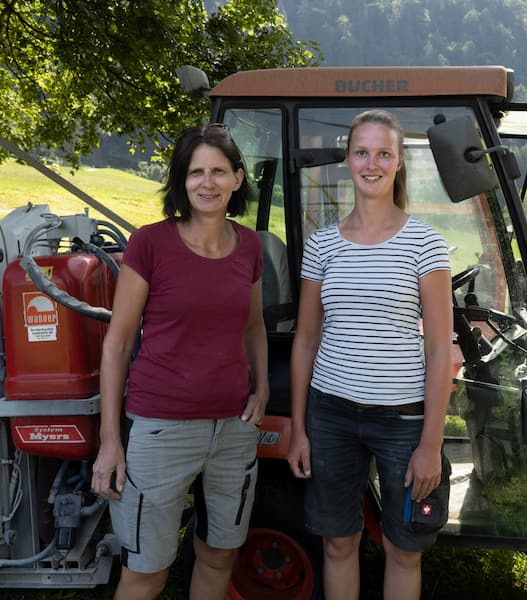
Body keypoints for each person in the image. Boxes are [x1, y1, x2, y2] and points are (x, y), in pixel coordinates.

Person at [91, 123, 268, 600]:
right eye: (195, 173)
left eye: (217, 171)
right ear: (180, 182)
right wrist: (110, 441)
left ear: (236, 178)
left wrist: (263, 388)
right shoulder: (150, 244)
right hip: (160, 429)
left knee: (219, 554)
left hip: (233, 430)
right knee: (147, 572)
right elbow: (118, 344)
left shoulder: (250, 247)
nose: (206, 183)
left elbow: (253, 326)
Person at [287, 109, 454, 599]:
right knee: (339, 543)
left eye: (384, 152)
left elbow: (440, 349)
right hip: (331, 416)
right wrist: (299, 428)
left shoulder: (425, 244)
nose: (372, 162)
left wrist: (430, 444)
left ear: (400, 163)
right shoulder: (321, 246)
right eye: (362, 152)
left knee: (404, 549)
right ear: (348, 160)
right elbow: (305, 341)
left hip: (402, 421)